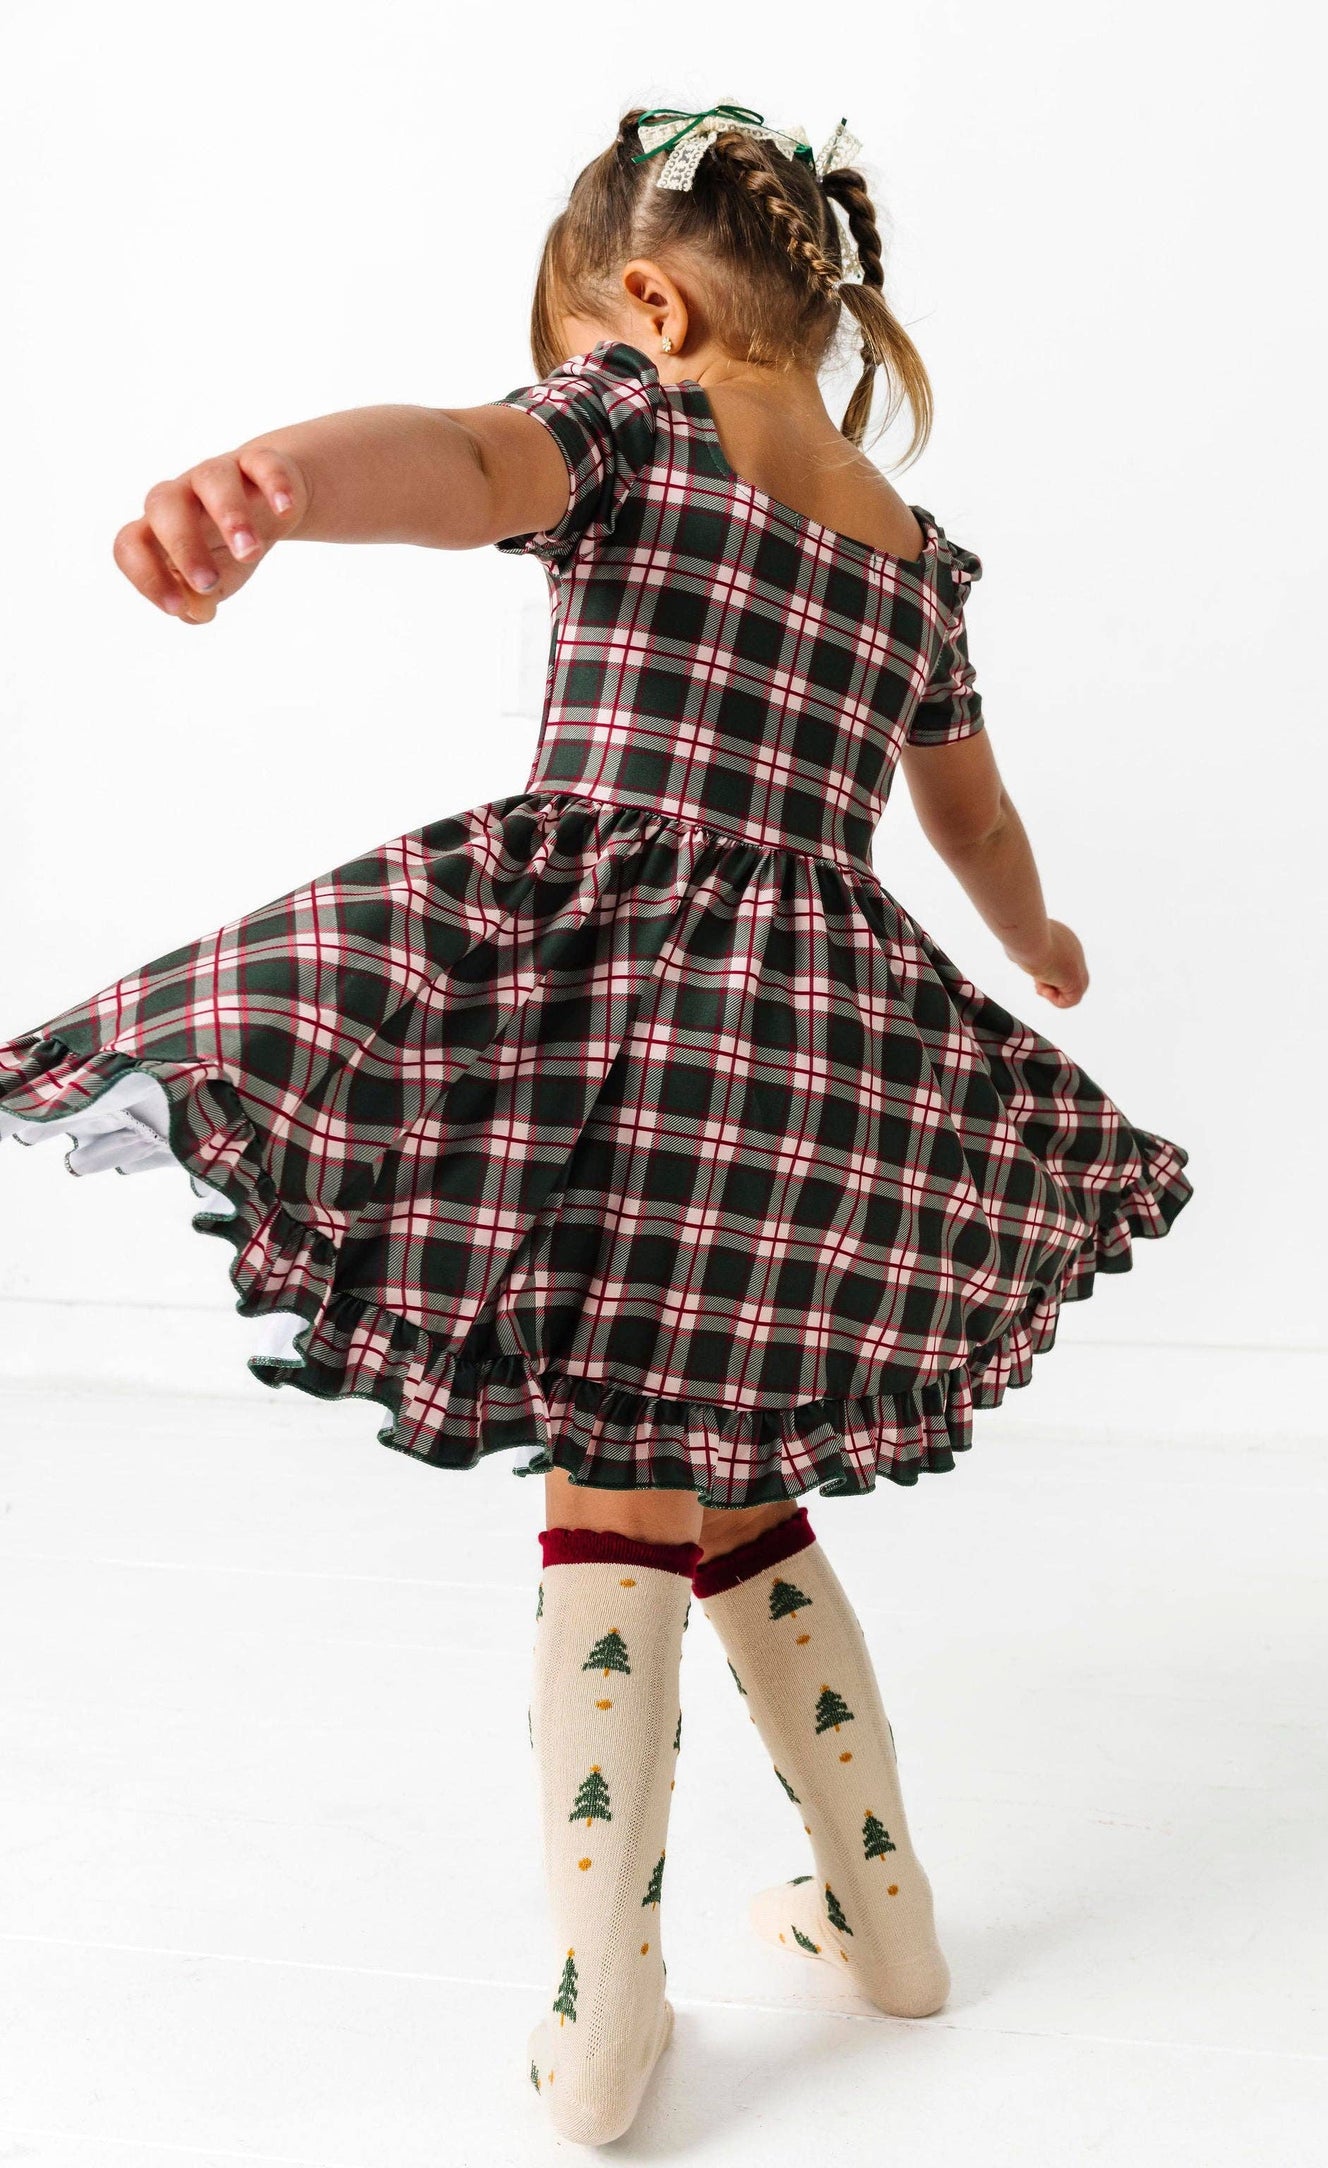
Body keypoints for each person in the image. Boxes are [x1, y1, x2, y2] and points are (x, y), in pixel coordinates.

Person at [0, 102, 1192, 2145]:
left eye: (582, 349)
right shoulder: (910, 561)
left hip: (638, 1024)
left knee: (623, 1489)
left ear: (641, 307)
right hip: (823, 1061)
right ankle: (885, 1921)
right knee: (724, 1481)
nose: (570, 389)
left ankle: (597, 2004)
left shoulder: (634, 429)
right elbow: (971, 821)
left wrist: (277, 483)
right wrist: (1045, 935)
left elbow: (463, 462)